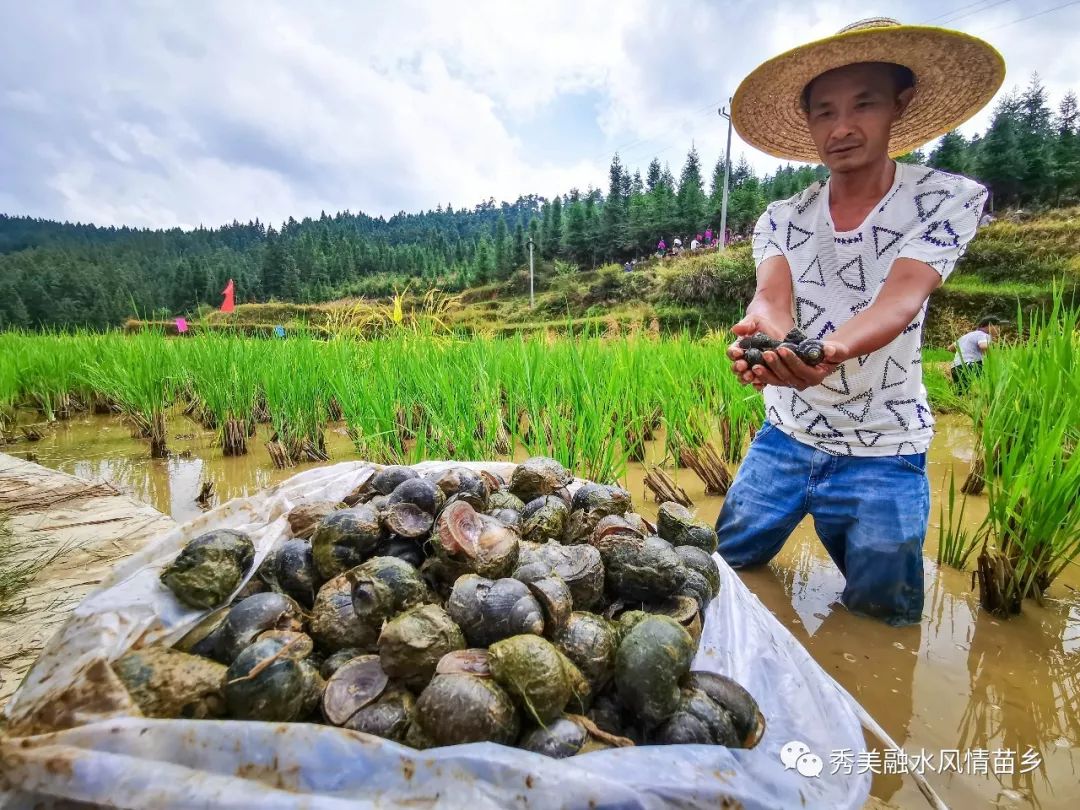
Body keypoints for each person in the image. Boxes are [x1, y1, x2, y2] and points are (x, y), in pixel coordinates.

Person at [717, 17, 1004, 626]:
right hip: (785, 437)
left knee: (882, 621)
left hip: (885, 447)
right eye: (824, 112)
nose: (842, 127)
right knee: (722, 570)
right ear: (808, 124)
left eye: (863, 104)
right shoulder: (782, 215)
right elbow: (771, 296)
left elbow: (900, 300)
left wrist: (826, 352)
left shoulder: (946, 198)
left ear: (900, 104)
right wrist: (761, 335)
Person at [949, 316, 1002, 393]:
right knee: (984, 385)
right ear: (990, 326)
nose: (999, 329)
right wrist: (992, 358)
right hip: (971, 365)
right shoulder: (984, 335)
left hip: (955, 367)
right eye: (997, 327)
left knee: (961, 393)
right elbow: (983, 346)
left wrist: (965, 352)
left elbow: (950, 348)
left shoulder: (967, 336)